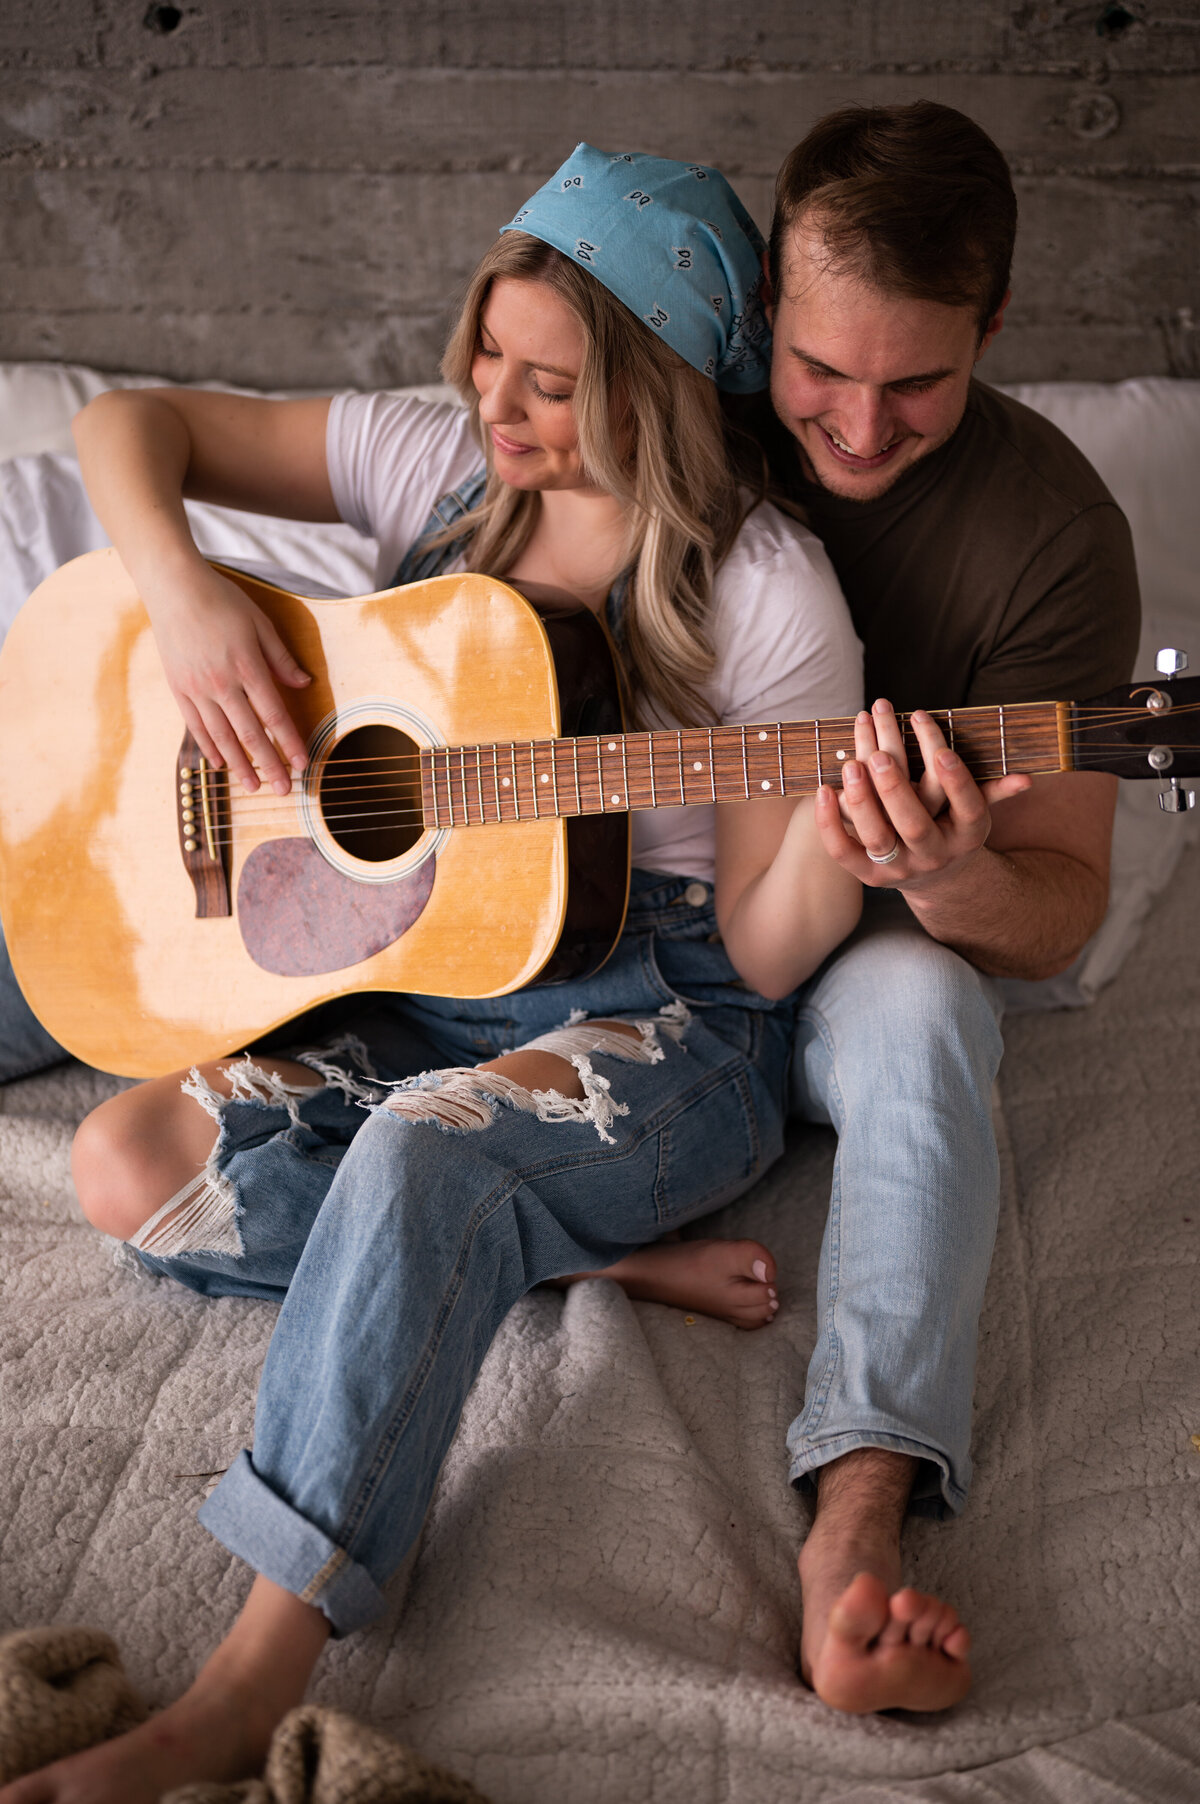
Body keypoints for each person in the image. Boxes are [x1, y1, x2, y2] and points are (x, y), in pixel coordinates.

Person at [0, 148, 865, 1802]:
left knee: (421, 1152)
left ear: (665, 391)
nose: (499, 401)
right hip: (433, 974)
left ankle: (243, 1683)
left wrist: (853, 833)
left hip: (662, 1013)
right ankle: (573, 1259)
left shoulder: (765, 592)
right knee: (124, 1164)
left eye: (555, 384)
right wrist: (184, 598)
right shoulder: (441, 457)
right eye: (489, 348)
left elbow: (762, 948)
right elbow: (133, 427)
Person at [731, 100, 1140, 1715]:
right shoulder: (675, 414)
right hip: (614, 898)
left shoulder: (1054, 537)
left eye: (916, 384)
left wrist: (944, 870)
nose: (854, 425)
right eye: (820, 370)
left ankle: (861, 1511)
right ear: (766, 298)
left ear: (997, 326)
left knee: (931, 1009)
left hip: (862, 938)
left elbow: (1059, 915)